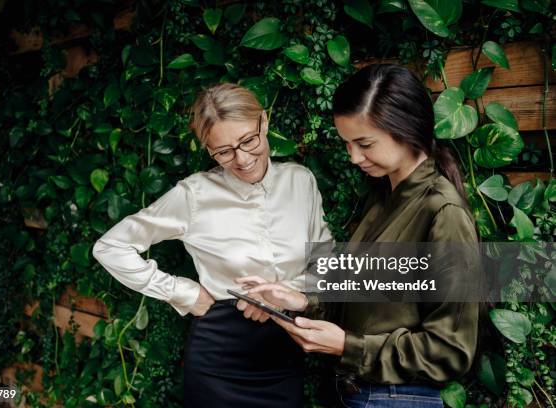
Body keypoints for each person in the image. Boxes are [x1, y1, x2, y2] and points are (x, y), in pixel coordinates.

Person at [240, 64, 479, 408]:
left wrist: (346, 346)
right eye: (348, 144)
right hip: (358, 395)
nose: (354, 157)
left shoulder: (443, 213)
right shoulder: (382, 199)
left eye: (364, 143)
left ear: (406, 129)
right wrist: (300, 301)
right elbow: (366, 307)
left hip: (397, 398)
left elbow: (451, 351)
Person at [92, 83, 332, 407]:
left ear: (264, 121)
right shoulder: (194, 194)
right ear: (208, 149)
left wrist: (294, 294)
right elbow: (110, 247)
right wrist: (185, 293)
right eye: (224, 151)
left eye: (249, 140)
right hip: (219, 355)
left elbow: (326, 264)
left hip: (283, 353)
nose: (242, 159)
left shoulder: (300, 181)